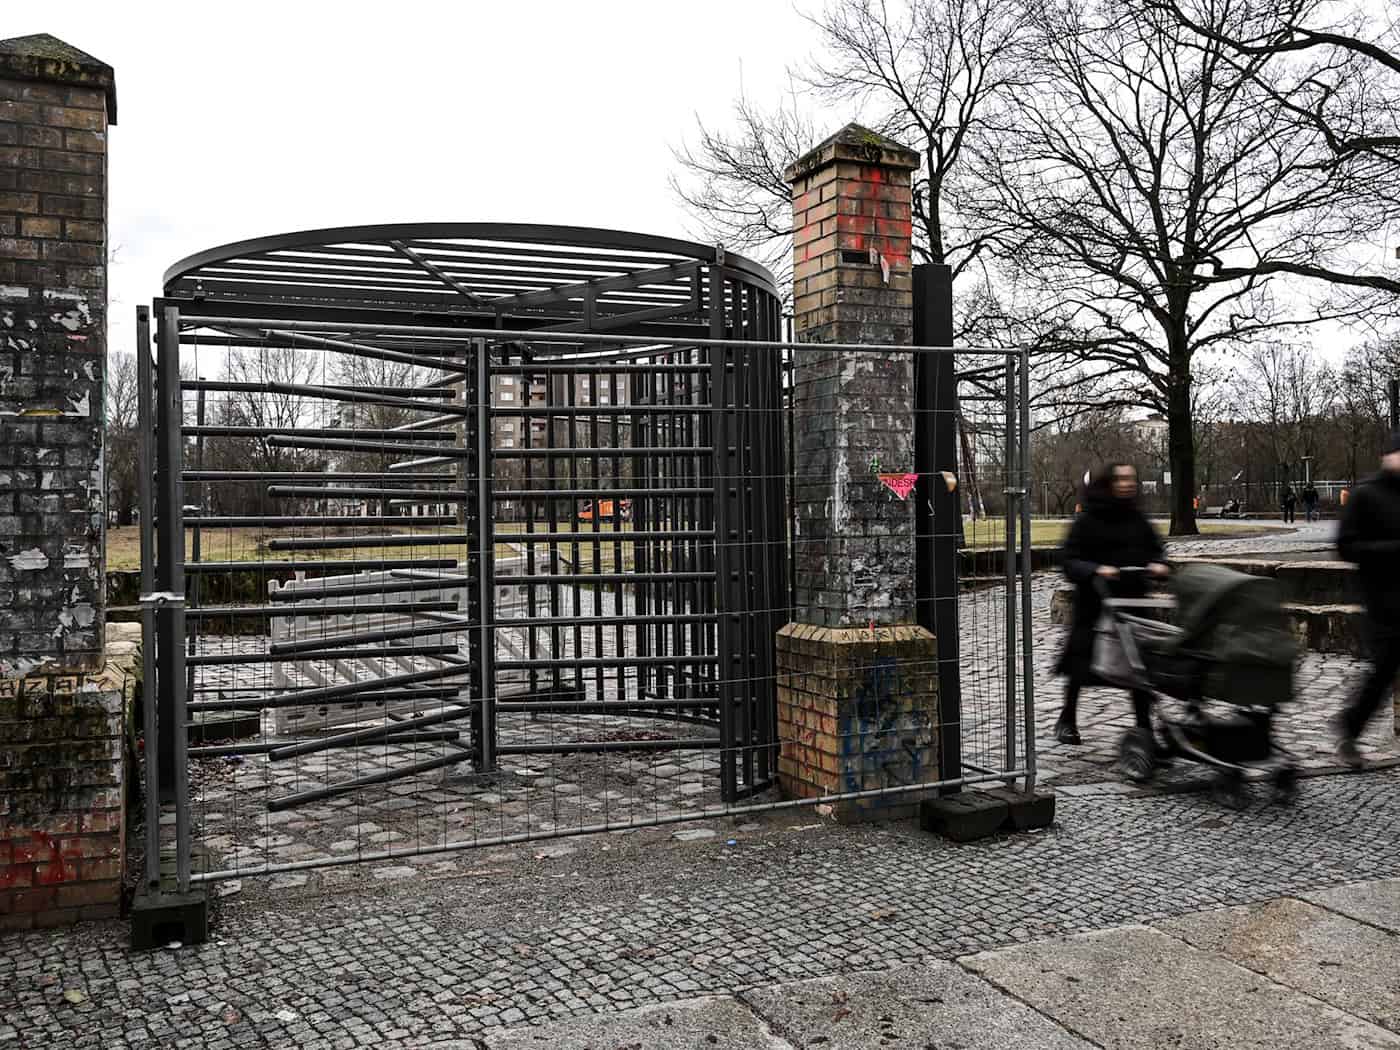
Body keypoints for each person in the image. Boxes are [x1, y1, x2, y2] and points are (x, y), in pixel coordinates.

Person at [1054, 463, 1170, 744]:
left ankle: (1145, 728)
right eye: (1121, 479)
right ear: (1109, 483)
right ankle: (1067, 717)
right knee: (1081, 664)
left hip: (1132, 603)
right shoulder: (1088, 521)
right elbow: (1069, 560)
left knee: (1138, 668)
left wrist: (1159, 566)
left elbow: (1157, 551)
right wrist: (1095, 569)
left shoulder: (1139, 520)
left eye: (1131, 478)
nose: (1128, 483)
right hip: (1096, 603)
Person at [1333, 433, 1400, 767]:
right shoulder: (1365, 495)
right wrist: (1391, 551)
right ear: (1387, 456)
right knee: (1383, 673)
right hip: (1382, 601)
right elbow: (1346, 546)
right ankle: (1350, 727)